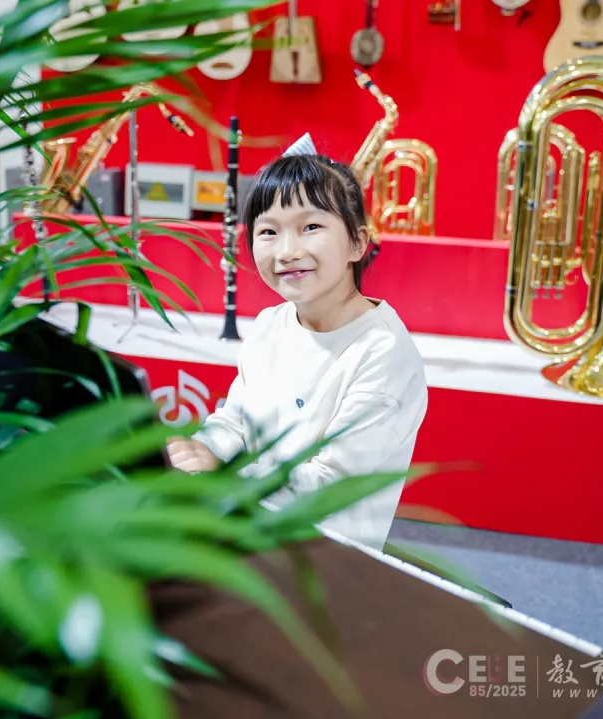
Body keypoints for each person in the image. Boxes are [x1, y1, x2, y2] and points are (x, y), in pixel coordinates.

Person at [166, 134, 429, 552]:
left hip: (326, 561)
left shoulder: (382, 352)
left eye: (310, 227)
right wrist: (200, 449)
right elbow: (235, 421)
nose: (286, 251)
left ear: (357, 243)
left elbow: (330, 485)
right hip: (243, 531)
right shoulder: (271, 324)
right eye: (269, 231)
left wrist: (222, 476)